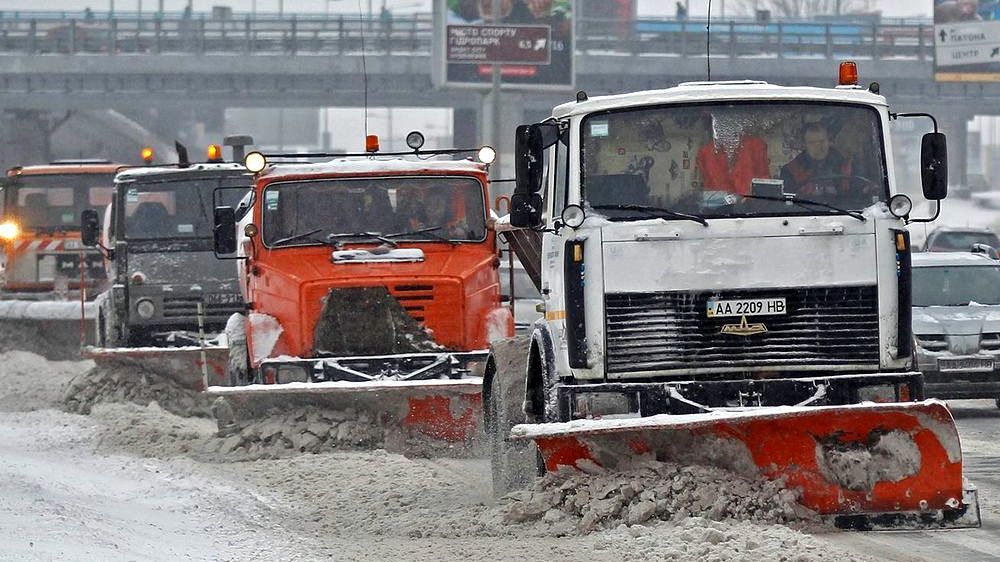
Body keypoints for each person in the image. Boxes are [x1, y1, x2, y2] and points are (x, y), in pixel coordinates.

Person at [780, 122, 853, 197]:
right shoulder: (790, 171)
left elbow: (857, 199)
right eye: (812, 143)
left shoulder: (848, 166)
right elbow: (789, 202)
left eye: (822, 141)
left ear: (829, 141)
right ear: (804, 145)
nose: (818, 146)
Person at [696, 133, 770, 196]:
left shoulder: (756, 146)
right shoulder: (705, 153)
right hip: (718, 209)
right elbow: (708, 188)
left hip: (752, 208)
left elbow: (764, 184)